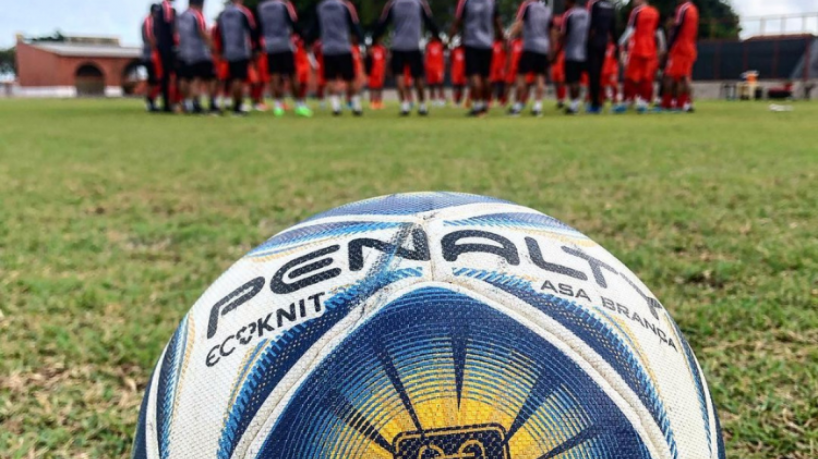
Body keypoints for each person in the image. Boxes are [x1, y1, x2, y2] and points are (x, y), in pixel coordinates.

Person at [373, 0, 441, 116]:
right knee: (418, 77)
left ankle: (404, 106)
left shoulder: (393, 4)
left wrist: (374, 39)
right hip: (414, 45)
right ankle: (422, 106)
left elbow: (383, 23)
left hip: (398, 46)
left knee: (399, 76)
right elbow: (429, 21)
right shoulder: (419, 3)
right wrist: (438, 37)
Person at [257, 0, 313, 117]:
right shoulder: (284, 5)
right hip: (284, 44)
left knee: (274, 76)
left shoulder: (261, 7)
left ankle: (278, 106)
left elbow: (259, 27)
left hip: (270, 46)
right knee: (292, 75)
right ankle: (299, 104)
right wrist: (304, 36)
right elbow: (293, 22)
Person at [309, 0, 365, 116]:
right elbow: (354, 24)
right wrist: (361, 40)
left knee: (331, 78)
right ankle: (356, 105)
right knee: (350, 78)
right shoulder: (345, 6)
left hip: (328, 49)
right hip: (343, 47)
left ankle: (336, 107)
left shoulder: (321, 7)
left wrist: (308, 40)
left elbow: (315, 26)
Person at [451, 0, 504, 117]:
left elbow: (457, 21)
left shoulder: (465, 2)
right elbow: (498, 22)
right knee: (486, 76)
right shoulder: (492, 2)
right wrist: (502, 37)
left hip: (471, 43)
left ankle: (477, 105)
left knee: (474, 75)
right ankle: (485, 103)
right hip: (487, 44)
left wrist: (450, 38)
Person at [507, 0, 553, 117]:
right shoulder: (547, 10)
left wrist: (509, 36)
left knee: (521, 76)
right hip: (543, 47)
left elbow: (519, 23)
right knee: (540, 77)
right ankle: (537, 107)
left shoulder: (527, 5)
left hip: (530, 46)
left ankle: (517, 107)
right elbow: (551, 30)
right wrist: (551, 49)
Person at [615, 0, 663, 113]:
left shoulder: (636, 12)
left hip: (637, 49)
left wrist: (620, 43)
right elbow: (659, 32)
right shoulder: (655, 12)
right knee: (646, 78)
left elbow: (630, 30)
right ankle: (644, 102)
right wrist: (662, 47)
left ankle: (628, 101)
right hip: (650, 50)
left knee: (630, 76)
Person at [216, 0, 260, 116]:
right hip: (241, 50)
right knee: (238, 79)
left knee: (230, 78)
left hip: (228, 51)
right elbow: (252, 30)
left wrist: (221, 50)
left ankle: (228, 102)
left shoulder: (223, 14)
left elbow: (218, 32)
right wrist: (255, 49)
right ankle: (237, 105)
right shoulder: (243, 12)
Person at [176, 0, 216, 114]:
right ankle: (197, 103)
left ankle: (186, 103)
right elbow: (202, 31)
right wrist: (212, 46)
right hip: (199, 52)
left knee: (184, 78)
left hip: (183, 51)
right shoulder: (197, 15)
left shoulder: (182, 16)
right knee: (201, 78)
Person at [662, 0, 699, 112]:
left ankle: (667, 103)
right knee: (683, 76)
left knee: (669, 75)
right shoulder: (693, 9)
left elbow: (677, 29)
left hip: (680, 48)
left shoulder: (682, 8)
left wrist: (668, 47)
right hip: (690, 47)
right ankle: (684, 102)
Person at [556, 0, 589, 115]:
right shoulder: (586, 13)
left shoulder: (568, 14)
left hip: (571, 52)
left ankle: (574, 105)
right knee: (578, 80)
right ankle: (576, 103)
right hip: (584, 52)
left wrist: (556, 51)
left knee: (572, 80)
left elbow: (564, 34)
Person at [585, 0, 616, 113]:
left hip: (593, 43)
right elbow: (613, 27)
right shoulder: (610, 6)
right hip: (604, 44)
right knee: (598, 73)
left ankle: (595, 103)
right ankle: (598, 100)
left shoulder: (592, 4)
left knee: (593, 74)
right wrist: (615, 44)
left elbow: (590, 23)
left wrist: (587, 41)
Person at [153, 0, 177, 113]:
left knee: (164, 76)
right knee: (169, 75)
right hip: (167, 47)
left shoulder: (158, 8)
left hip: (161, 46)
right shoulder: (167, 8)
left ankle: (166, 102)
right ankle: (168, 103)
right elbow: (171, 28)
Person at [141, 4, 162, 112]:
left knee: (154, 80)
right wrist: (157, 48)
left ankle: (152, 100)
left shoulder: (150, 20)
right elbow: (150, 37)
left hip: (150, 54)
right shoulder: (149, 21)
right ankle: (150, 101)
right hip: (150, 55)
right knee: (153, 80)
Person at [550, 13, 567, 108]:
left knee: (561, 80)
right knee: (555, 80)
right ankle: (559, 99)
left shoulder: (561, 36)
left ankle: (562, 99)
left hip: (560, 57)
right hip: (555, 58)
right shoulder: (552, 37)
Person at [425, 37, 446, 107]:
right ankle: (433, 100)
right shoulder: (428, 45)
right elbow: (426, 55)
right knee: (431, 85)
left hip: (439, 68)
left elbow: (446, 46)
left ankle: (442, 99)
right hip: (430, 68)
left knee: (440, 84)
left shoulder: (440, 45)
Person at [366, 42, 387, 109]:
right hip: (373, 72)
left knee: (379, 87)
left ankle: (379, 102)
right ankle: (372, 102)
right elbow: (368, 59)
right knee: (373, 88)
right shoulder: (372, 49)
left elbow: (385, 59)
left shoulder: (382, 49)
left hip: (380, 72)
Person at [490, 39, 507, 106]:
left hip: (501, 68)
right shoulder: (492, 43)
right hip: (493, 68)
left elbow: (507, 51)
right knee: (492, 84)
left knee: (501, 85)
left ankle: (502, 100)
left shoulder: (502, 43)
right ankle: (490, 100)